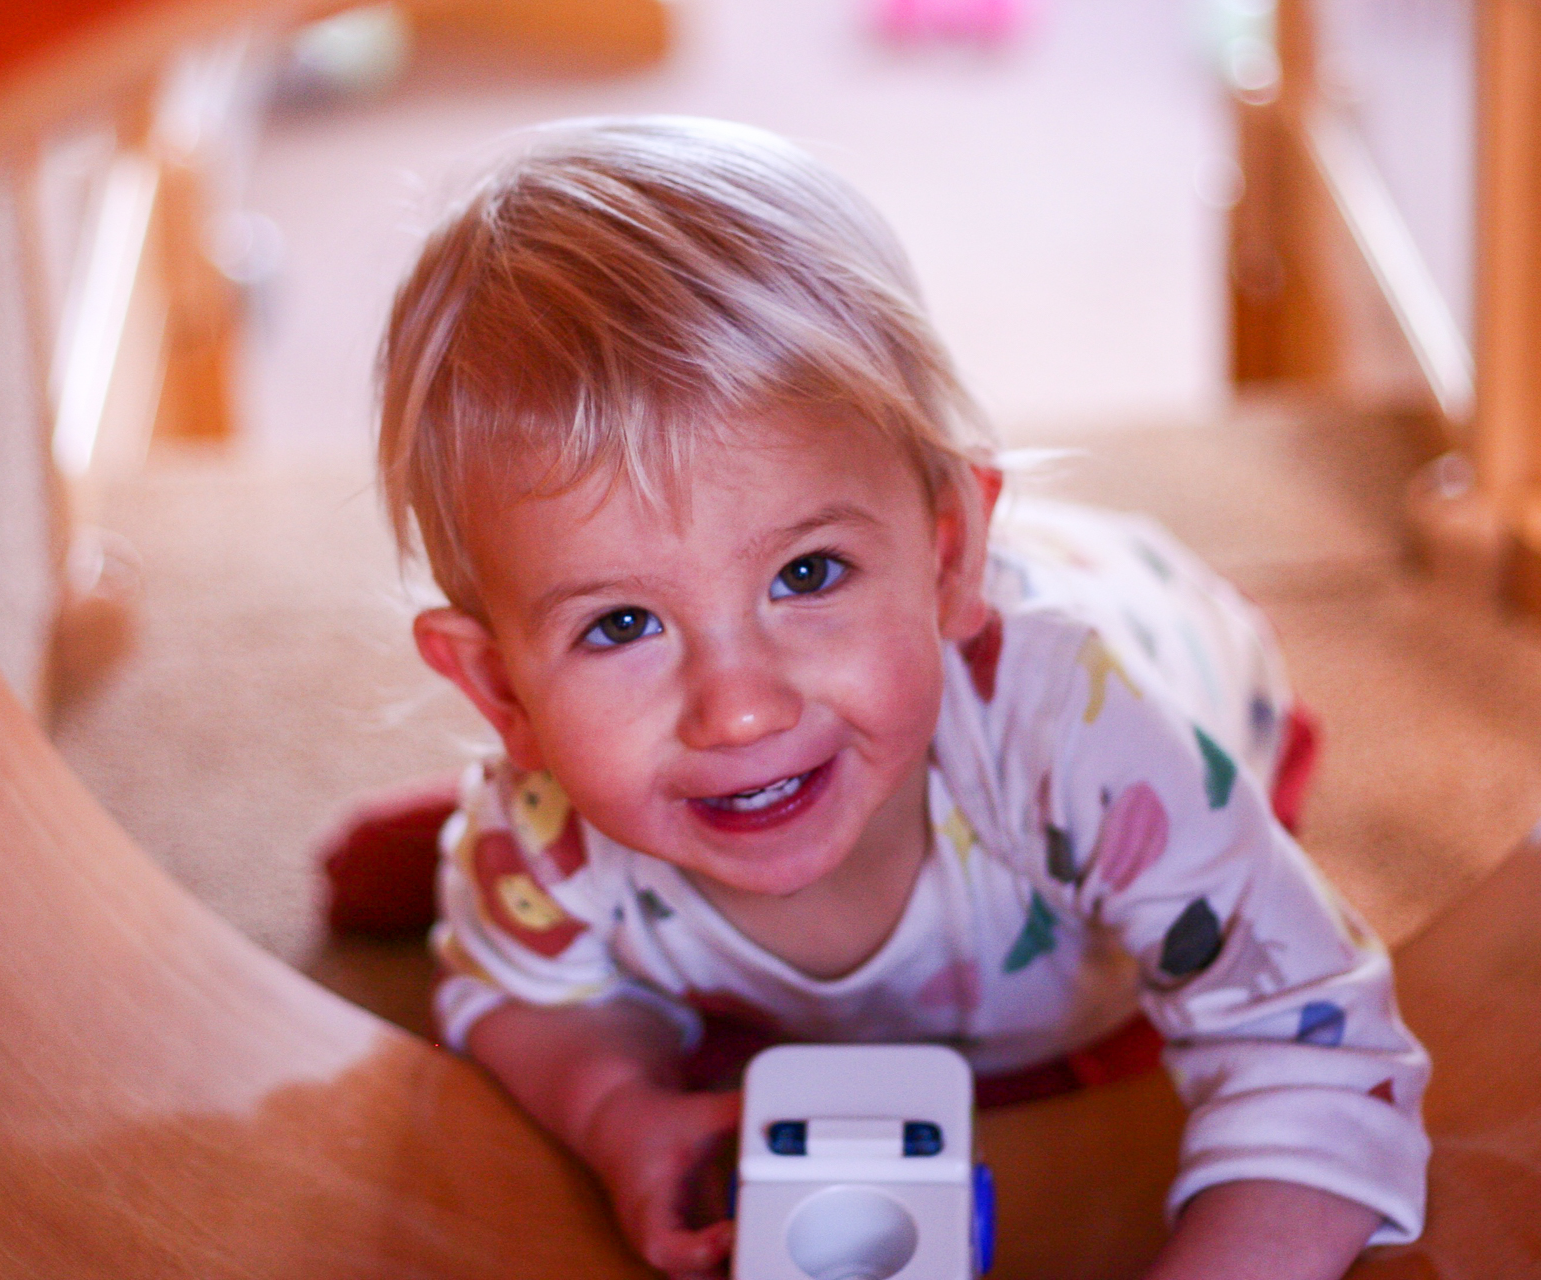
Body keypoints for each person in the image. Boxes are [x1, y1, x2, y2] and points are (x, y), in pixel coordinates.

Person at [367, 116, 1429, 1280]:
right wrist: (617, 1104)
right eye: (621, 624)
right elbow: (516, 1005)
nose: (740, 709)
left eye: (805, 573)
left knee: (1221, 870)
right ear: (496, 687)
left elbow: (1315, 1043)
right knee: (533, 889)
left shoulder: (1073, 740)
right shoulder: (551, 823)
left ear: (949, 558)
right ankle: (483, 840)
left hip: (1159, 669)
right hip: (676, 760)